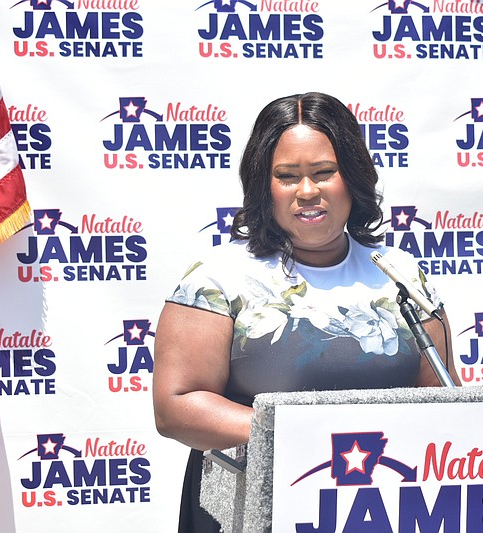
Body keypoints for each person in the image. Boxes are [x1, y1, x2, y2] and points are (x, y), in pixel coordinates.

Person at [152, 91, 461, 532]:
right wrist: (312, 432)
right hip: (251, 513)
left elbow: (445, 400)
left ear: (351, 178)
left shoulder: (399, 273)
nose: (307, 191)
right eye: (287, 176)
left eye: (323, 172)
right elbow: (176, 406)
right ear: (265, 186)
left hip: (382, 509)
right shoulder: (218, 278)